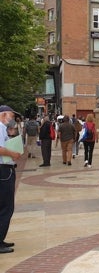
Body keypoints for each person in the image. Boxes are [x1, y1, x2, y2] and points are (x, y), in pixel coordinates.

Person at [0, 105, 22, 254]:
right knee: (6, 207)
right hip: (4, 170)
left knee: (4, 206)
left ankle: (1, 239)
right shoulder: (0, 127)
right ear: (4, 115)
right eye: (12, 116)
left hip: (4, 169)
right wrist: (13, 153)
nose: (12, 119)